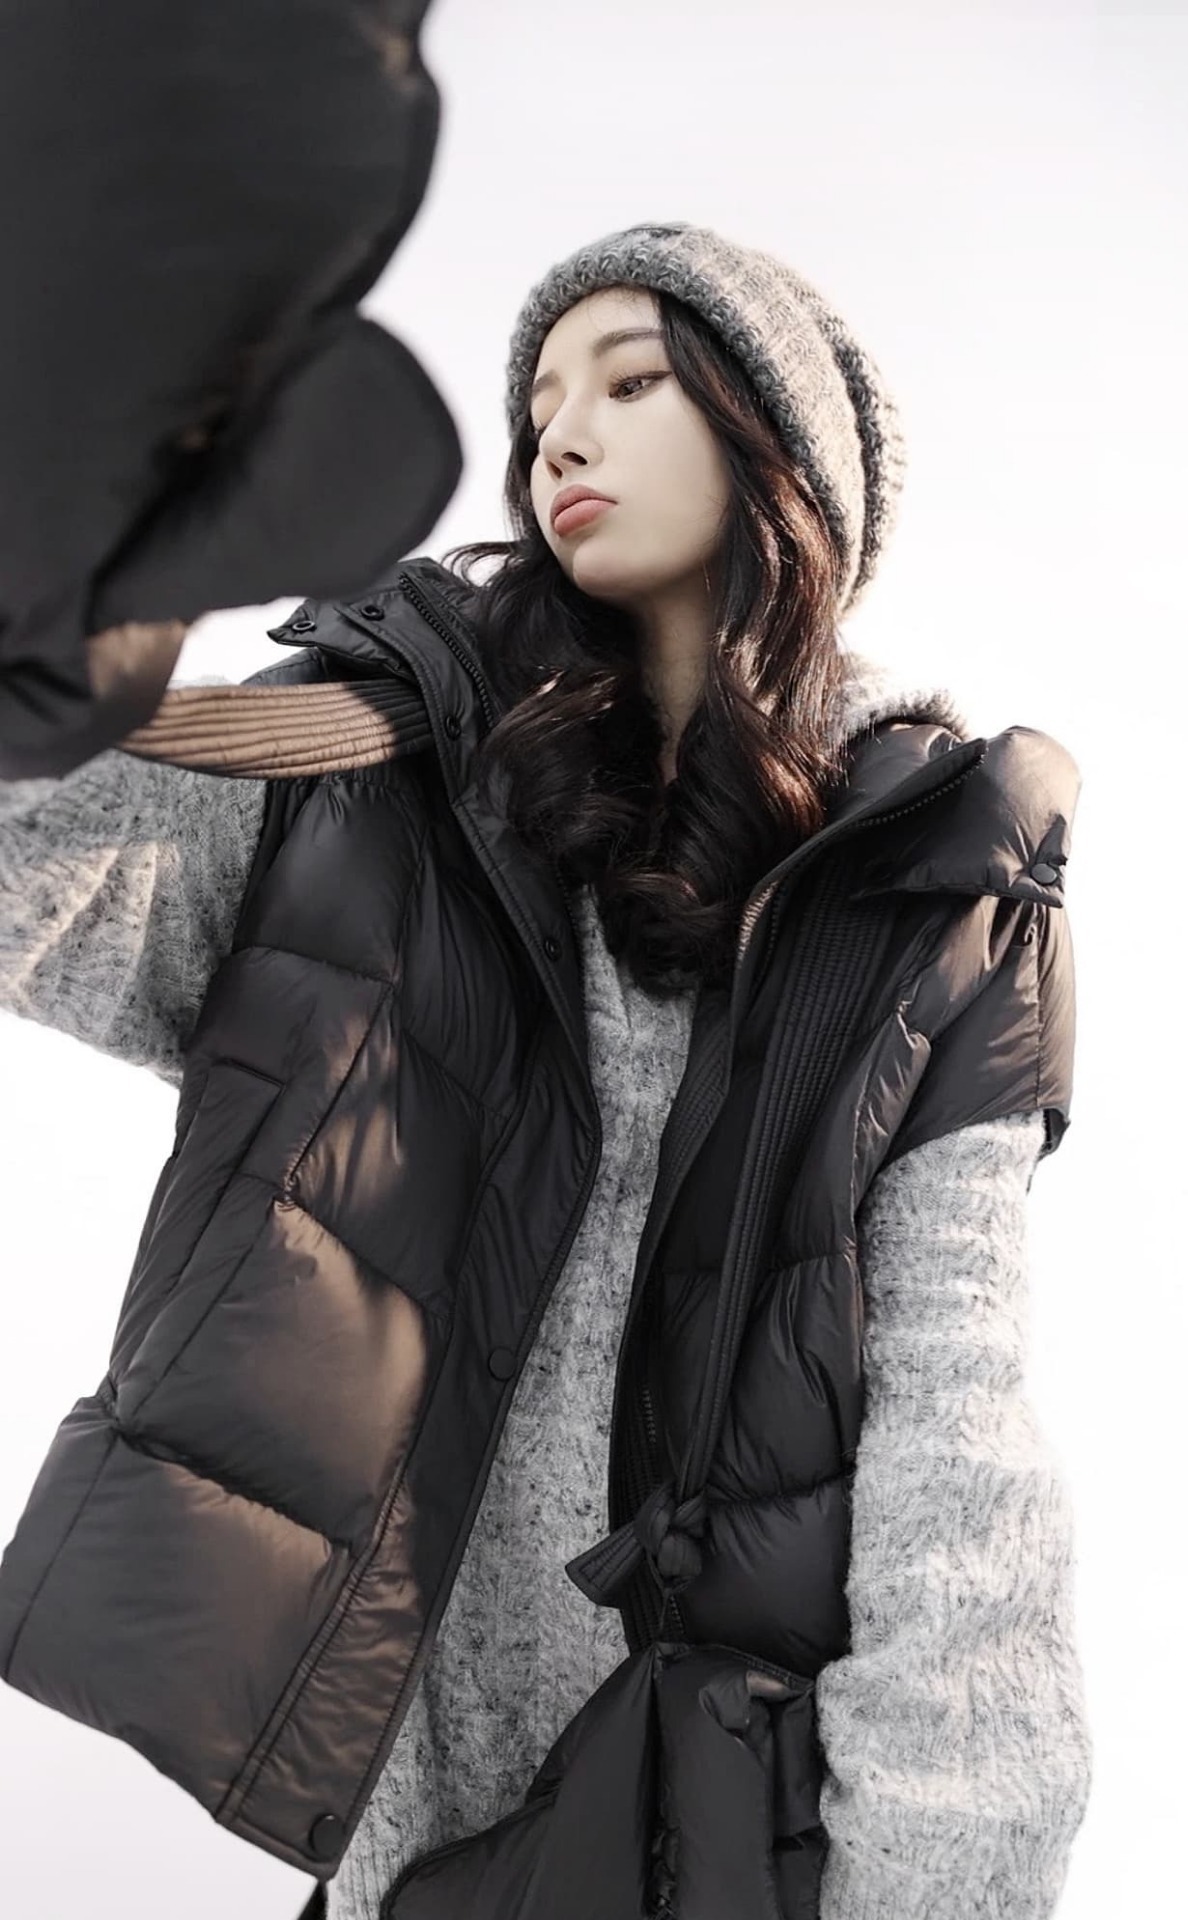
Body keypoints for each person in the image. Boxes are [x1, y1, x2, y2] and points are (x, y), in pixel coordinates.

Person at [0, 222, 1093, 1919]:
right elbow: (44, 876)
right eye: (538, 411)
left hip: (731, 1818)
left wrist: (943, 1869)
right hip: (415, 1802)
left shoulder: (940, 881)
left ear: (780, 448)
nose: (560, 437)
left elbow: (958, 1422)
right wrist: (69, 589)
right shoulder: (378, 773)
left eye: (630, 382)